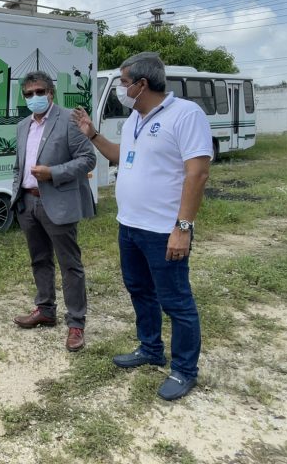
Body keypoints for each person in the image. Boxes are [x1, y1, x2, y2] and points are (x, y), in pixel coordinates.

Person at [73, 52, 211, 401]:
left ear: (142, 84)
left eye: (123, 82)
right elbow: (122, 156)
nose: (121, 89)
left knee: (176, 301)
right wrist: (92, 135)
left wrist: (183, 227)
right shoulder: (136, 117)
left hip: (164, 229)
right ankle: (150, 348)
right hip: (130, 226)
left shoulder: (186, 115)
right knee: (140, 291)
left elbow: (197, 173)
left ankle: (183, 370)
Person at [11, 71, 97, 352]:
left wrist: (54, 173)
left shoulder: (68, 120)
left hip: (58, 202)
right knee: (39, 260)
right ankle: (45, 309)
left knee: (70, 265)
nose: (33, 97)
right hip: (28, 203)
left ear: (51, 93)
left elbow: (88, 159)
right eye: (28, 93)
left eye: (39, 92)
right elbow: (19, 164)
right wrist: (18, 194)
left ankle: (76, 323)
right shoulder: (23, 125)